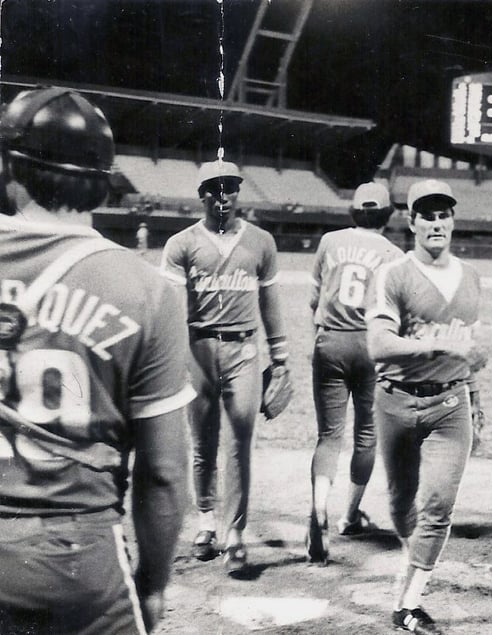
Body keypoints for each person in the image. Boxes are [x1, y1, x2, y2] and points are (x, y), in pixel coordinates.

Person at [0, 87, 193, 633]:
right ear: (105, 181)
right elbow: (163, 473)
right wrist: (153, 584)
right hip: (75, 557)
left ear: (9, 167)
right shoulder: (144, 289)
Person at [366, 178, 487, 634]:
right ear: (411, 221)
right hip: (396, 402)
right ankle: (412, 557)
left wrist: (474, 396)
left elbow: (467, 347)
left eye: (443, 214)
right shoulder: (393, 275)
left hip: (450, 406)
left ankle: (409, 604)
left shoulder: (472, 277)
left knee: (438, 505)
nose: (436, 223)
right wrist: (435, 345)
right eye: (427, 215)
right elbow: (378, 344)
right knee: (401, 505)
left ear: (452, 220)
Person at [160, 158, 290, 577]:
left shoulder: (261, 242)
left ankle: (235, 534)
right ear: (201, 195)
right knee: (203, 444)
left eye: (230, 187)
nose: (223, 196)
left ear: (238, 192)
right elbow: (175, 311)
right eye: (214, 189)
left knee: (240, 442)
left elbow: (270, 304)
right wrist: (171, 360)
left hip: (244, 350)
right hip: (198, 349)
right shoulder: (181, 244)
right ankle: (205, 522)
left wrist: (282, 357)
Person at [305, 181, 402, 565]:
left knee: (329, 436)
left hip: (329, 341)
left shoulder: (330, 241)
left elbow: (315, 298)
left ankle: (318, 507)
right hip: (369, 345)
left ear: (354, 211)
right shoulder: (394, 254)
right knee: (366, 434)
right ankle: (349, 516)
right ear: (387, 213)